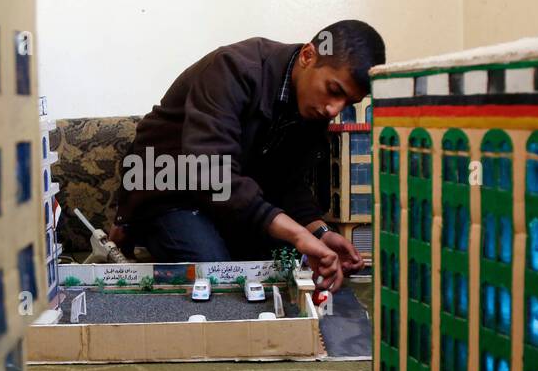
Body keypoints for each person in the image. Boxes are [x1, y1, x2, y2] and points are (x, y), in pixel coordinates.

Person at [112, 19, 383, 293]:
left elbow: (288, 182)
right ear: (307, 55)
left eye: (348, 103)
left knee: (291, 265)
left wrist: (319, 232)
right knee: (218, 277)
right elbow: (211, 175)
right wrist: (298, 234)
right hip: (169, 193)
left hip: (229, 205)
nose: (333, 109)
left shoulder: (312, 109)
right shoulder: (232, 69)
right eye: (334, 91)